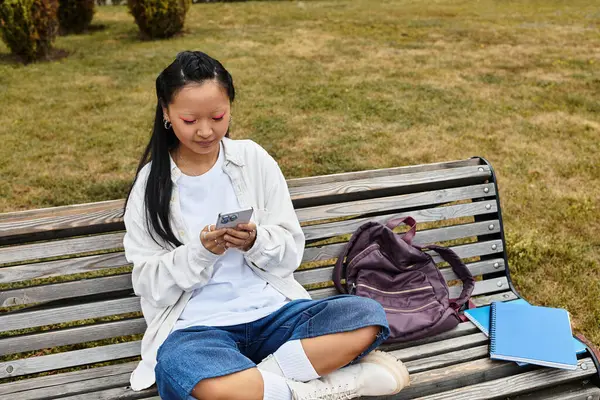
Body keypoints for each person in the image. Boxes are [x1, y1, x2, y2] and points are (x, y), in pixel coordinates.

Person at [123, 50, 410, 400]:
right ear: (166, 112)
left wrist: (255, 240)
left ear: (230, 105)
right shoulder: (151, 185)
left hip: (276, 317)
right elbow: (148, 284)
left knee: (366, 315)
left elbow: (290, 252)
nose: (205, 130)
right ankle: (316, 391)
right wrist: (200, 253)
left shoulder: (252, 160)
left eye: (217, 116)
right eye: (189, 120)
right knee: (179, 366)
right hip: (199, 330)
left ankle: (257, 385)